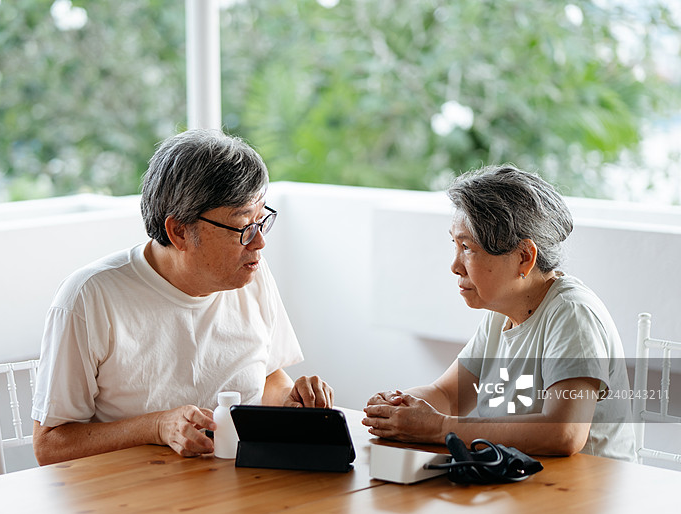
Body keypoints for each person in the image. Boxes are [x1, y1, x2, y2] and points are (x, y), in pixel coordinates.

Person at [31, 129, 333, 465]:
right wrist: (156, 427)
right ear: (179, 231)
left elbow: (266, 375)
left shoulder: (252, 276)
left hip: (237, 491)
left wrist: (290, 401)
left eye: (261, 220)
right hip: (130, 502)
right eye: (244, 226)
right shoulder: (91, 296)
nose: (259, 242)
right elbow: (50, 446)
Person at [363, 165, 636, 461]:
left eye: (467, 247)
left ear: (524, 257)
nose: (455, 265)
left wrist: (439, 428)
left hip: (586, 498)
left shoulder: (572, 314)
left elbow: (564, 433)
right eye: (455, 245)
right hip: (525, 489)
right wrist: (397, 407)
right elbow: (447, 395)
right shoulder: (500, 315)